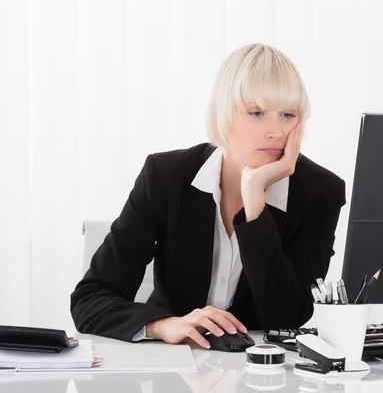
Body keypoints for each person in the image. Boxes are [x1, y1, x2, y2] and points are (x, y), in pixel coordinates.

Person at [70, 43, 346, 349]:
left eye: (287, 114)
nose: (275, 131)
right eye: (256, 113)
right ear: (223, 114)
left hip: (263, 375)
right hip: (174, 367)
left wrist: (254, 204)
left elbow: (287, 317)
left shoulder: (321, 192)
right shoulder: (166, 176)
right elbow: (90, 299)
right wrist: (162, 326)